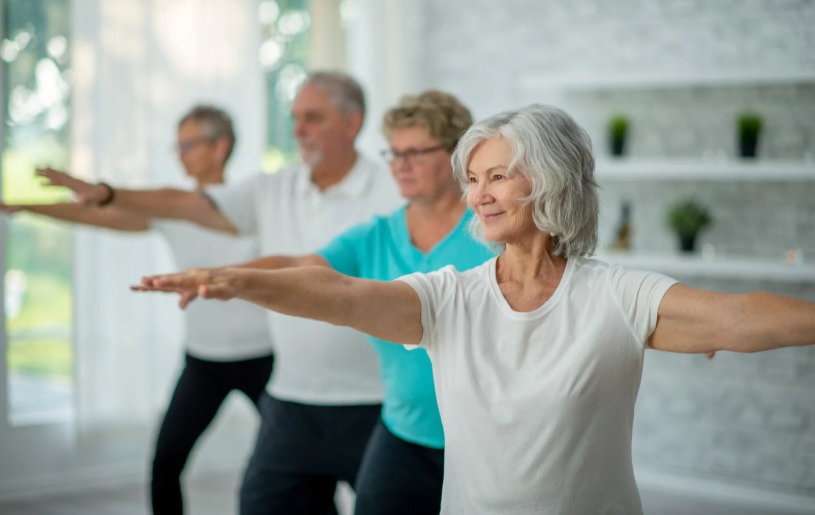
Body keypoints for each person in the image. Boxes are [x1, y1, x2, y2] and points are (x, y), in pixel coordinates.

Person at [134, 103, 815, 514]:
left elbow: (738, 317)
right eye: (471, 178)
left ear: (548, 181)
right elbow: (342, 293)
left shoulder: (617, 295)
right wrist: (239, 280)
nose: (479, 193)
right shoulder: (447, 296)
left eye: (497, 175)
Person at [38, 72, 404, 514]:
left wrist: (228, 278)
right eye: (295, 118)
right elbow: (183, 203)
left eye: (313, 118)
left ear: (352, 123)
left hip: (363, 396)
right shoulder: (271, 188)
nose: (298, 130)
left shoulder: (392, 189)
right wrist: (103, 193)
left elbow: (309, 267)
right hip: (285, 395)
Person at [153, 90, 494, 514]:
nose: (400, 165)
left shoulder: (489, 234)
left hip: (481, 438)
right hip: (404, 433)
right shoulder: (376, 234)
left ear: (456, 156)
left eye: (416, 153)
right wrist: (233, 278)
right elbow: (306, 266)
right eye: (393, 152)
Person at [0, 105, 274, 515]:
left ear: (220, 147)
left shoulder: (253, 206)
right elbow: (93, 214)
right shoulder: (169, 213)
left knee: (297, 461)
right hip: (203, 363)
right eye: (177, 146)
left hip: (263, 360)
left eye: (189, 144)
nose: (180, 154)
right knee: (165, 465)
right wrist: (27, 206)